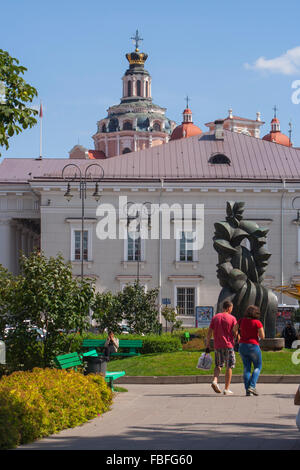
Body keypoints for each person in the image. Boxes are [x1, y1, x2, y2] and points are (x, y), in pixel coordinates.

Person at [206, 300, 237, 395]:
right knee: (229, 366)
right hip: (228, 345)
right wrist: (236, 338)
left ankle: (215, 380)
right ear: (228, 308)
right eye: (231, 308)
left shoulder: (215, 317)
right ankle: (226, 389)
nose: (232, 310)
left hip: (217, 345)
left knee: (218, 365)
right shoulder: (232, 318)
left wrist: (207, 344)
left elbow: (209, 332)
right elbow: (235, 332)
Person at [233, 305, 264, 396]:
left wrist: (238, 336)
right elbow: (262, 336)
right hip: (254, 346)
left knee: (246, 368)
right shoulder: (257, 322)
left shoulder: (241, 320)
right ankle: (252, 386)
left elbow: (234, 329)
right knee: (258, 366)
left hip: (242, 346)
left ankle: (247, 390)